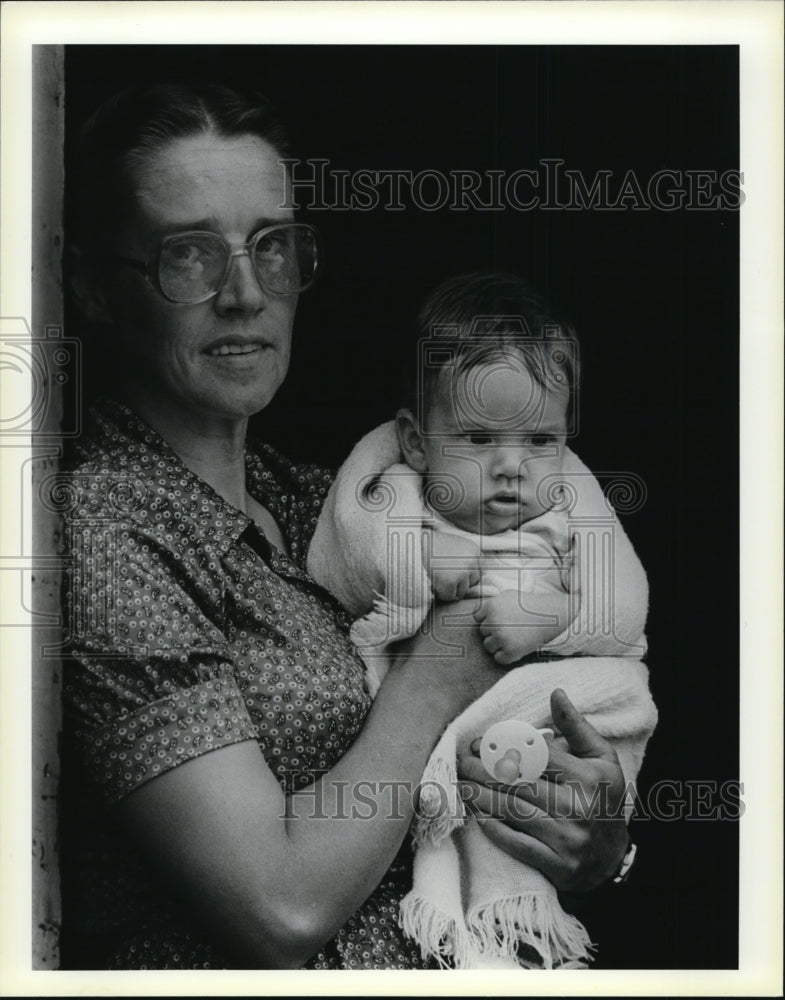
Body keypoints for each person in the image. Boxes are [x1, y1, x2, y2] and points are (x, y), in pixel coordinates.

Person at [59, 82, 633, 971]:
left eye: (271, 248)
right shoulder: (111, 533)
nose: (245, 293)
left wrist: (586, 838)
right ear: (96, 289)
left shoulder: (326, 500)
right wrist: (442, 667)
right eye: (189, 254)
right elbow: (279, 907)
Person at [305, 273, 655, 967]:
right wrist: (416, 564)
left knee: (566, 766)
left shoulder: (569, 501)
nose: (509, 468)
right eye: (475, 437)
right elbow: (336, 559)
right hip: (417, 733)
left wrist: (548, 619)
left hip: (551, 708)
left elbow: (622, 613)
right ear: (414, 439)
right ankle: (457, 909)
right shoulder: (393, 485)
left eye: (538, 440)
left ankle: (503, 919)